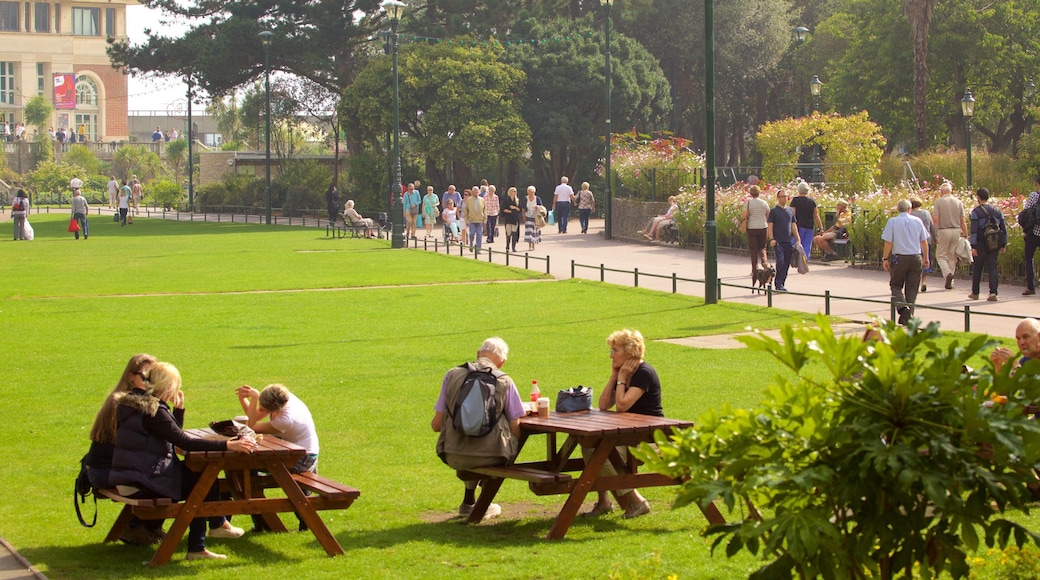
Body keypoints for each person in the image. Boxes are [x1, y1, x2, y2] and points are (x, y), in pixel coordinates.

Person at [109, 362, 257, 561]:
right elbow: (183, 441)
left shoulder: (137, 404)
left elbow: (169, 433)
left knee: (202, 478)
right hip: (142, 481)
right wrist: (228, 446)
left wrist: (178, 411)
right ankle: (209, 534)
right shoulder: (154, 410)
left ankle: (214, 529)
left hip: (131, 477)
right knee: (203, 481)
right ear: (168, 386)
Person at [431, 337, 524, 520]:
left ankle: (468, 501)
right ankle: (484, 503)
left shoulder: (451, 375)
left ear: (477, 354)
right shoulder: (505, 381)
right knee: (499, 443)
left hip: (452, 453)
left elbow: (436, 425)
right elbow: (516, 426)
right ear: (502, 361)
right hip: (491, 455)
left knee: (471, 443)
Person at [584, 329, 661, 519]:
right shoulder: (623, 372)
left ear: (630, 352)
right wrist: (614, 376)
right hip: (629, 435)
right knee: (589, 446)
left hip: (648, 438)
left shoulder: (644, 373)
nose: (611, 355)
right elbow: (603, 405)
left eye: (615, 350)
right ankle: (604, 502)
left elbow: (621, 406)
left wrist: (621, 380)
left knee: (603, 451)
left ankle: (635, 500)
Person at [86, 354, 161, 545]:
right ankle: (139, 527)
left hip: (110, 468)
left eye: (154, 377)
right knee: (168, 478)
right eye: (145, 376)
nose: (150, 382)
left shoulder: (132, 400)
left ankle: (144, 527)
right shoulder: (126, 403)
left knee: (165, 473)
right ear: (130, 377)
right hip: (105, 471)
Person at [882, 199, 931, 326]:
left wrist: (885, 258)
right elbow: (924, 241)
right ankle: (909, 315)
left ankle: (904, 310)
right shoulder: (918, 221)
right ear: (910, 209)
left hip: (899, 257)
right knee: (912, 288)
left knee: (896, 285)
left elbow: (888, 242)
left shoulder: (892, 221)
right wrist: (926, 257)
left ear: (898, 209)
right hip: (915, 257)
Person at [968, 187, 1007, 301]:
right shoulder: (997, 210)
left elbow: (974, 231)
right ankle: (993, 293)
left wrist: (973, 246)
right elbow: (1003, 229)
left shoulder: (976, 212)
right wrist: (1003, 243)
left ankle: (975, 292)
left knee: (978, 267)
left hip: (981, 243)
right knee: (993, 267)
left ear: (978, 198)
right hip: (994, 242)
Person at [931, 181, 968, 290]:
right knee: (952, 256)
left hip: (943, 230)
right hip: (956, 230)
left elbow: (936, 219)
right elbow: (963, 220)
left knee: (940, 255)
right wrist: (965, 234)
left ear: (941, 192)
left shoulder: (938, 202)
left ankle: (947, 274)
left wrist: (935, 233)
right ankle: (951, 281)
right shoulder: (958, 202)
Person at [767, 190, 800, 292]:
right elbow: (770, 225)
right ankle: (777, 283)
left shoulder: (790, 211)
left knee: (786, 263)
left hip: (788, 241)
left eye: (786, 196)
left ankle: (781, 283)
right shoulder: (774, 211)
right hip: (778, 241)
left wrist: (798, 238)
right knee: (780, 261)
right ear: (778, 198)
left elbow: (793, 225)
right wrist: (771, 238)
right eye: (782, 196)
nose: (785, 198)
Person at [909, 197, 937, 291]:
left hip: (913, 241)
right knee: (926, 260)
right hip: (926, 239)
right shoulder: (926, 213)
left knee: (915, 262)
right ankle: (924, 280)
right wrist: (935, 237)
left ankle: (915, 282)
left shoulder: (910, 214)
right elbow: (932, 226)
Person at [790, 181, 823, 259]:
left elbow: (792, 214)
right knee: (807, 245)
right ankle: (804, 260)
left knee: (797, 243)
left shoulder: (795, 200)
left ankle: (795, 259)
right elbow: (816, 215)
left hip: (798, 226)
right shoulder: (812, 201)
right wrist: (821, 227)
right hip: (809, 226)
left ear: (798, 190)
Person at [742, 185, 770, 275]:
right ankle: (764, 261)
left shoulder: (748, 203)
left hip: (752, 227)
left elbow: (744, 216)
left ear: (751, 193)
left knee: (753, 249)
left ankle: (754, 269)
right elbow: (768, 214)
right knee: (762, 247)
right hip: (763, 227)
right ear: (759, 192)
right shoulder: (764, 203)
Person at [813, 199, 850, 263]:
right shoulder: (841, 214)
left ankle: (832, 254)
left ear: (842, 206)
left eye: (838, 205)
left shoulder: (848, 214)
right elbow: (835, 226)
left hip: (840, 232)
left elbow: (843, 226)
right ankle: (830, 253)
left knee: (822, 238)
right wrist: (825, 232)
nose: (837, 207)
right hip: (836, 230)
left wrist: (837, 216)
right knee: (816, 238)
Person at [1020, 177, 1040, 295]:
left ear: (1038, 184)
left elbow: (1026, 212)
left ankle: (1031, 287)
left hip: (1033, 232)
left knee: (1029, 258)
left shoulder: (1034, 195)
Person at [463, 185, 487, 251]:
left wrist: (485, 219)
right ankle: (471, 244)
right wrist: (466, 220)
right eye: (475, 192)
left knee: (479, 235)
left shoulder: (482, 200)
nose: (477, 193)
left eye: (478, 192)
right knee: (472, 233)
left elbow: (484, 210)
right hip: (472, 220)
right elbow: (466, 210)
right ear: (473, 192)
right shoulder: (469, 200)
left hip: (480, 220)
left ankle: (478, 249)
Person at [520, 185, 543, 251]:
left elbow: (541, 207)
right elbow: (523, 207)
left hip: (535, 217)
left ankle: (533, 245)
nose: (529, 193)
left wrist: (537, 207)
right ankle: (529, 246)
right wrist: (523, 215)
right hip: (528, 216)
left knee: (534, 231)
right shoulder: (525, 198)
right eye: (528, 192)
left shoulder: (537, 198)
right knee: (529, 231)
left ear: (533, 192)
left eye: (530, 192)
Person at [500, 186, 521, 252]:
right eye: (514, 191)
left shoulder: (517, 200)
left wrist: (514, 208)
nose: (515, 192)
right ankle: (507, 246)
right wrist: (510, 211)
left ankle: (513, 247)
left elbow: (519, 209)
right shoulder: (506, 200)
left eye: (516, 191)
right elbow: (503, 209)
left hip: (515, 219)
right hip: (508, 219)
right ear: (510, 192)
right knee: (508, 233)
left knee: (514, 233)